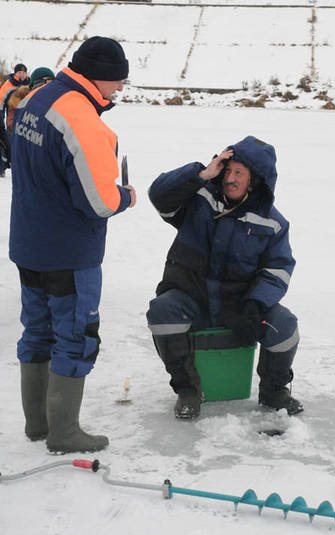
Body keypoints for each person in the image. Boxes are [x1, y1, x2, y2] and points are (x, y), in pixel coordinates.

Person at [9, 37, 136, 453]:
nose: (118, 89)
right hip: (68, 252)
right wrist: (126, 196)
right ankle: (63, 432)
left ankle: (37, 424)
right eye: (117, 81)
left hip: (30, 243)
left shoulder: (36, 98)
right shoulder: (81, 119)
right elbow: (98, 201)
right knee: (76, 335)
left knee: (37, 330)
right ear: (100, 76)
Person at [146, 136, 302, 420]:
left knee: (284, 326)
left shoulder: (273, 222)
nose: (230, 178)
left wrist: (255, 305)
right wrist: (202, 174)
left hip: (239, 306)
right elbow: (158, 195)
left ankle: (274, 391)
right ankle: (188, 392)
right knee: (162, 312)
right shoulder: (199, 198)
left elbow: (278, 269)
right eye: (228, 170)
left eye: (239, 173)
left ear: (255, 180)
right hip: (192, 298)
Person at [6, 67, 55, 134]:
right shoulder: (20, 99)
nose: (52, 86)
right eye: (48, 82)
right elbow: (11, 124)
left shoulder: (54, 99)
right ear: (38, 84)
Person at [0, 63, 29, 175]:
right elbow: (1, 101)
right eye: (19, 72)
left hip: (27, 117)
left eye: (23, 72)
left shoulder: (30, 84)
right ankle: (10, 165)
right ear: (15, 73)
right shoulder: (9, 85)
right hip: (12, 119)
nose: (21, 75)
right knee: (12, 143)